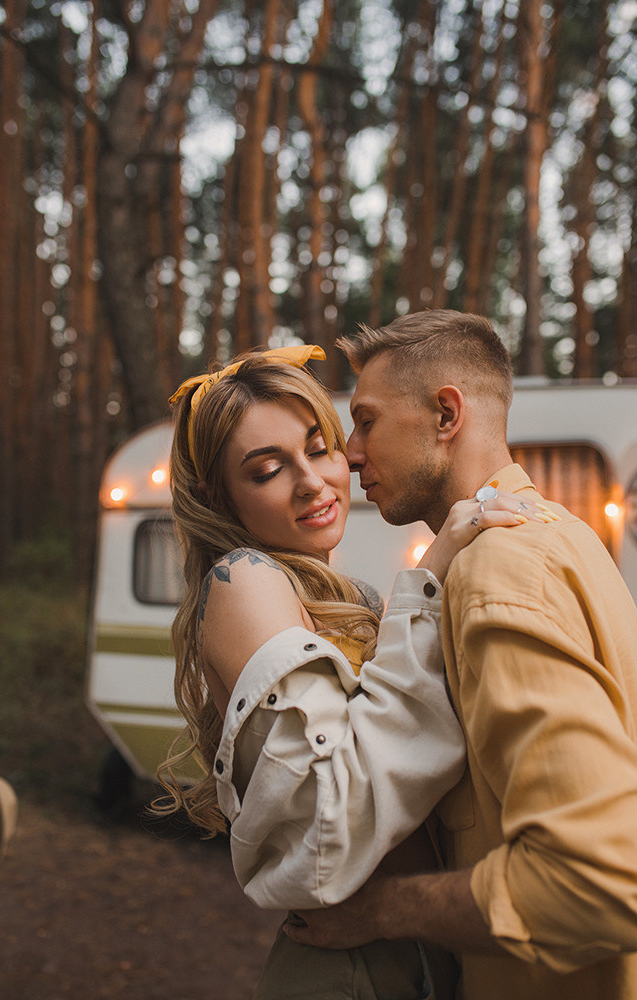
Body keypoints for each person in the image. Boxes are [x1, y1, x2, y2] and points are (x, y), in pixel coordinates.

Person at [155, 344, 540, 999]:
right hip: (349, 972)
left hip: (426, 955)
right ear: (219, 496)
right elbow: (327, 822)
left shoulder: (350, 597)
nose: (312, 481)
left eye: (319, 446)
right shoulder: (244, 580)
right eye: (268, 469)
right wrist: (430, 571)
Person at [284, 311, 637, 1000]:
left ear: (446, 413)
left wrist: (381, 911)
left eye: (365, 421)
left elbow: (599, 879)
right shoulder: (562, 533)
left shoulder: (495, 572)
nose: (350, 454)